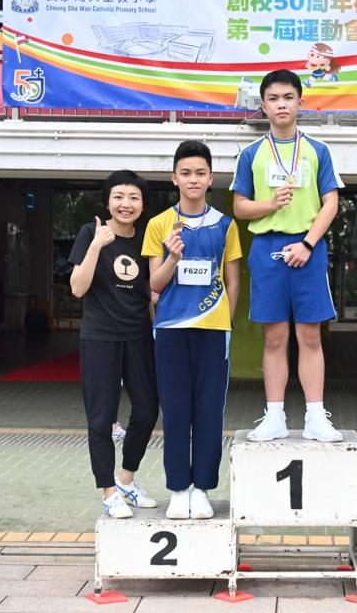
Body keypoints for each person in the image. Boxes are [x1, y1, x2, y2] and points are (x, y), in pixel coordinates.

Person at [230, 69, 344, 443]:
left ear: (300, 102)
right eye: (274, 98)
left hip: (308, 247)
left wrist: (308, 244)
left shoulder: (318, 150)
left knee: (310, 335)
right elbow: (240, 207)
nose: (281, 104)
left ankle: (316, 417)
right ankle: (275, 416)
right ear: (263, 105)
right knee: (274, 337)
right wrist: (270, 204)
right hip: (267, 249)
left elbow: (331, 203)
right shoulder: (251, 153)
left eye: (288, 97)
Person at [144, 140, 242, 519]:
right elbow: (154, 285)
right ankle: (178, 489)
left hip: (213, 331)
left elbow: (233, 281)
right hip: (170, 330)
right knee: (175, 411)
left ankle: (201, 488)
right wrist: (172, 256)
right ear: (174, 178)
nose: (193, 179)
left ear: (211, 178)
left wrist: (224, 320)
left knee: (209, 412)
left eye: (200, 173)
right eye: (185, 173)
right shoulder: (159, 224)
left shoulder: (225, 225)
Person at [69, 170, 160, 519]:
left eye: (134, 197)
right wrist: (97, 245)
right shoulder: (90, 233)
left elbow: (150, 291)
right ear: (107, 202)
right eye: (119, 197)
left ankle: (126, 480)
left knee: (147, 410)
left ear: (142, 204)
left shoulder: (147, 237)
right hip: (100, 337)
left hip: (138, 335)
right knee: (101, 417)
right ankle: (108, 491)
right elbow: (78, 288)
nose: (126, 204)